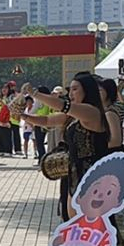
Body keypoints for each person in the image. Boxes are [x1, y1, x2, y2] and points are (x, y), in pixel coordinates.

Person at [22, 73, 109, 219]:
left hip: (93, 175)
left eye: (75, 89)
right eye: (70, 90)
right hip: (75, 172)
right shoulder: (73, 115)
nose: (71, 93)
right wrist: (23, 116)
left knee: (91, 225)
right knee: (72, 222)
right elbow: (46, 120)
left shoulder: (92, 111)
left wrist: (34, 93)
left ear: (87, 90)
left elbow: (64, 106)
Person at [32, 86, 52, 166]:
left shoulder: (39, 100)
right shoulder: (49, 99)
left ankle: (42, 160)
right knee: (48, 143)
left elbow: (33, 110)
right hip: (48, 122)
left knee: (39, 143)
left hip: (39, 123)